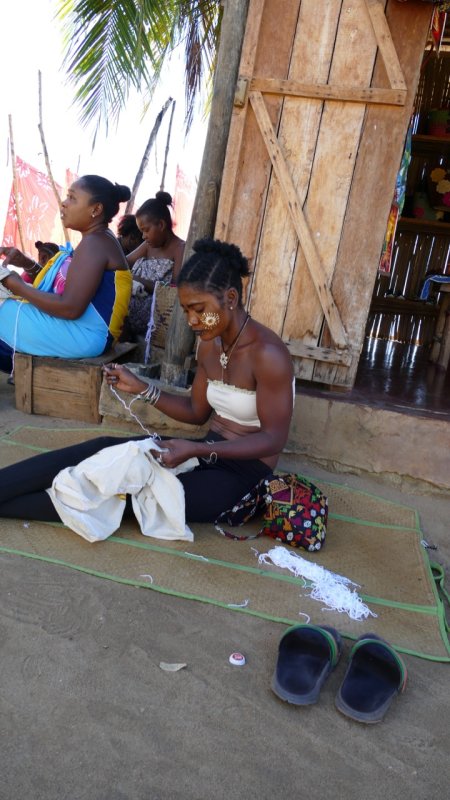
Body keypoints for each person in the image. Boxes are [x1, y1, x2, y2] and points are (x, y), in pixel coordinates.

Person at [0, 238, 294, 527]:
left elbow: (273, 439)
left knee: (126, 496)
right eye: (186, 310)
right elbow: (196, 412)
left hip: (244, 475)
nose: (191, 320)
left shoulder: (268, 354)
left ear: (230, 298)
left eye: (199, 309)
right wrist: (142, 388)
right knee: (101, 452)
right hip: (206, 451)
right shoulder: (210, 345)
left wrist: (196, 451)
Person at [0, 175, 132, 373]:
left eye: (72, 198)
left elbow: (70, 308)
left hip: (83, 335)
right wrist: (26, 264)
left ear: (95, 209)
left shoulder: (94, 244)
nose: (64, 203)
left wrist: (15, 284)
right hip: (86, 333)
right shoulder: (98, 239)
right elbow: (65, 290)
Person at [126, 191, 185, 337]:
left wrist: (137, 280)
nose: (143, 236)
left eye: (146, 230)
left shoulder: (180, 249)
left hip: (155, 311)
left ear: (161, 224)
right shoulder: (148, 245)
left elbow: (174, 290)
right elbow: (124, 262)